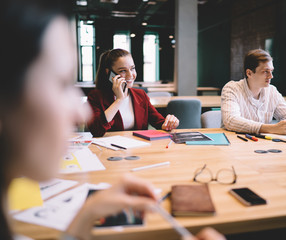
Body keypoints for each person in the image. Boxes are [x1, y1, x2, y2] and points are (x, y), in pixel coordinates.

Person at [0, 1, 224, 240]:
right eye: (60, 83)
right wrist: (117, 100)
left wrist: (86, 216)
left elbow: (157, 121)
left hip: (136, 161)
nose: (79, 115)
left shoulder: (140, 95)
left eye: (133, 69)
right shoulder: (99, 96)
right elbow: (95, 129)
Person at [221, 49, 286, 135]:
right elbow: (231, 120)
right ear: (249, 73)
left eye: (271, 71)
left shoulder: (272, 91)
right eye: (265, 71)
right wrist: (271, 128)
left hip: (263, 145)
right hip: (236, 146)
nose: (271, 76)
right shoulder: (232, 89)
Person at [87, 48, 179, 137]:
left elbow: (159, 122)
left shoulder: (140, 95)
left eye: (132, 68)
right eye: (123, 71)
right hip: (109, 151)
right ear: (109, 73)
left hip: (138, 149)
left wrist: (170, 123)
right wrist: (119, 100)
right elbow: (96, 131)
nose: (130, 75)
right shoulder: (95, 97)